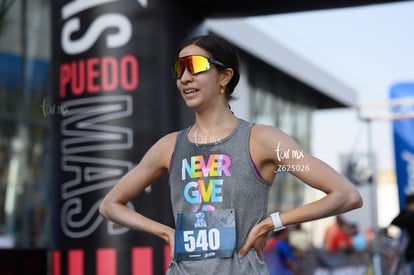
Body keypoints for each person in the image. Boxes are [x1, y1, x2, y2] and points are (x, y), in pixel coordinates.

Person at [99, 34, 363, 274]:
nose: (185, 78)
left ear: (225, 76)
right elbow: (110, 205)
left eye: (196, 66)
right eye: (180, 69)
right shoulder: (168, 146)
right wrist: (166, 233)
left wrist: (271, 223)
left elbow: (346, 195)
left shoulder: (262, 140)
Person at [391, 193, 414, 274]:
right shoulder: (408, 214)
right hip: (410, 254)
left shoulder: (410, 216)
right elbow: (395, 222)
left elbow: (398, 221)